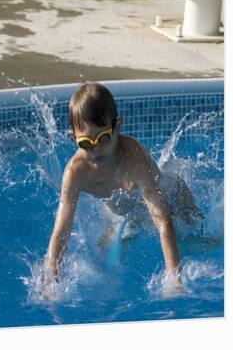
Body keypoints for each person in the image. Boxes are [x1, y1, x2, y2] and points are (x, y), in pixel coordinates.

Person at [43, 81, 203, 287]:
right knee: (104, 252)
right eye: (85, 143)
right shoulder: (75, 172)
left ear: (117, 126)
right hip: (124, 210)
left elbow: (162, 218)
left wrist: (174, 279)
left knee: (196, 238)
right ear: (73, 137)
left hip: (170, 194)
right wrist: (51, 280)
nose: (95, 149)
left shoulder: (131, 156)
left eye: (103, 138)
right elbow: (61, 231)